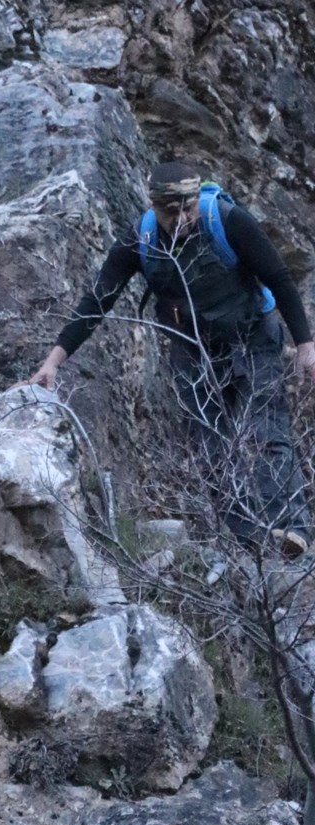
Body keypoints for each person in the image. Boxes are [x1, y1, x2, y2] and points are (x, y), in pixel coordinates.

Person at [30, 160, 314, 553]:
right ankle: (251, 542)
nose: (181, 219)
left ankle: (293, 529)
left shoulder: (228, 221)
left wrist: (305, 344)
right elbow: (98, 300)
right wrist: (53, 361)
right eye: (171, 212)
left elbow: (279, 278)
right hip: (193, 352)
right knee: (209, 448)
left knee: (268, 434)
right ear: (154, 207)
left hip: (253, 339)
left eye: (188, 209)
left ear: (198, 201)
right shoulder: (140, 240)